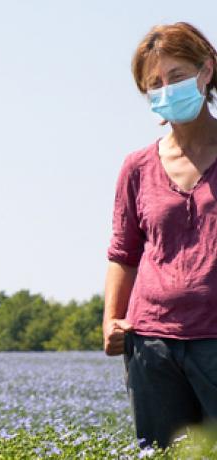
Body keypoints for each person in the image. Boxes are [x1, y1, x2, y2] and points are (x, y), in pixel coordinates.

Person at [103, 21, 217, 450]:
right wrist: (111, 320)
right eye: (155, 83)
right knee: (161, 454)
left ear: (206, 71)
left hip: (215, 336)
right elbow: (123, 252)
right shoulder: (137, 167)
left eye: (177, 77)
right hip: (152, 343)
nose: (166, 90)